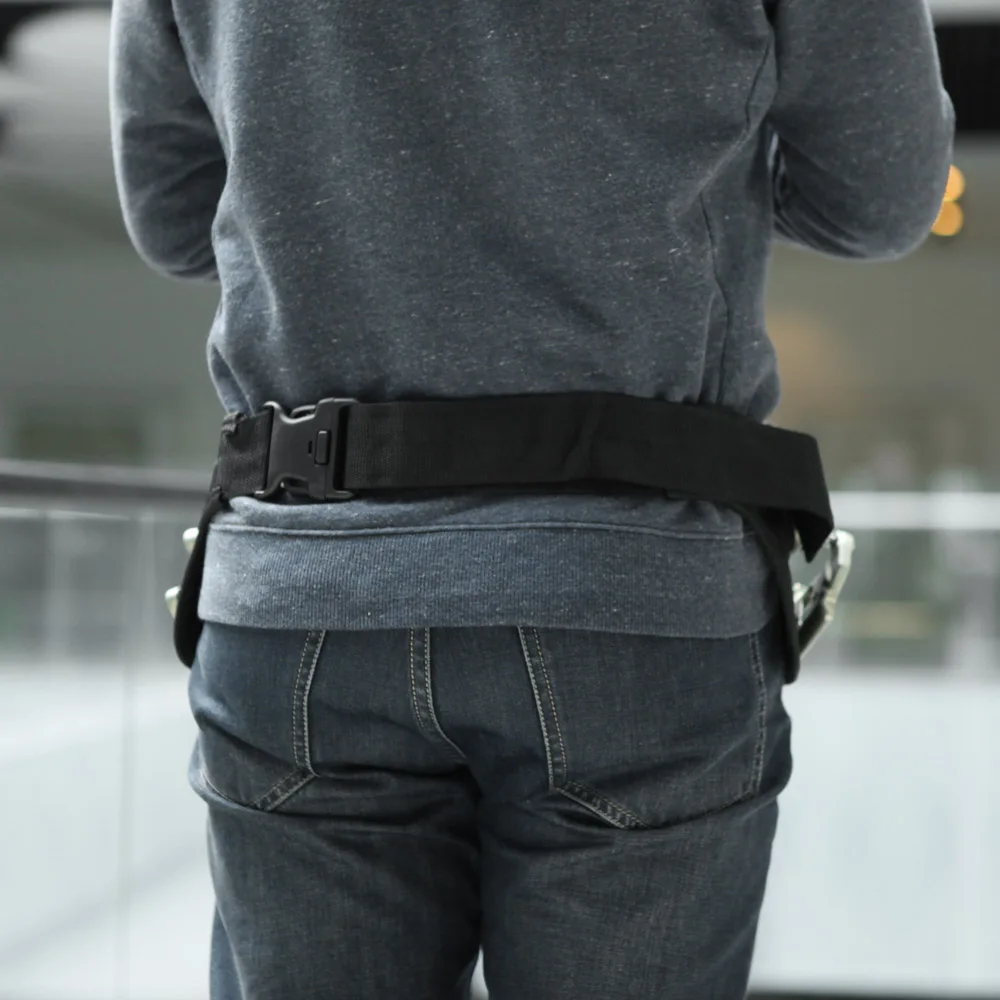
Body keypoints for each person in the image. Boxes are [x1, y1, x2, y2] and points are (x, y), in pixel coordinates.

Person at [109, 1, 954, 996]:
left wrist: (358, 195)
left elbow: (174, 216)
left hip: (305, 591)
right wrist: (661, 169)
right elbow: (879, 197)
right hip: (632, 588)